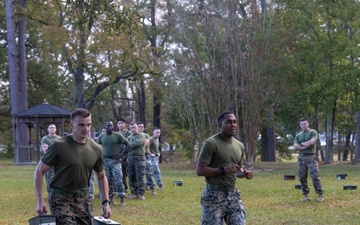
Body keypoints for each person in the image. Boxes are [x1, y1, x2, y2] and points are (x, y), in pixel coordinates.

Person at [34, 108, 112, 224]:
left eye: (88, 125)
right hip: (61, 198)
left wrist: (106, 202)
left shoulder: (96, 148)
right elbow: (39, 171)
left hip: (84, 199)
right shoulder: (59, 145)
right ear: (71, 125)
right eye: (81, 125)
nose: (86, 129)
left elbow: (101, 176)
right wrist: (40, 200)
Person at [196, 111, 253, 225]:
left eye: (234, 122)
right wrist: (223, 170)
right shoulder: (211, 143)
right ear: (220, 125)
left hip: (233, 196)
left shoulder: (239, 146)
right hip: (214, 197)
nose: (232, 125)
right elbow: (200, 170)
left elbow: (237, 170)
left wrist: (244, 173)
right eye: (228, 122)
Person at [98, 120, 130, 206]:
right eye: (108, 125)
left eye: (111, 125)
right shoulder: (102, 137)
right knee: (108, 181)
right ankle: (110, 199)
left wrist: (122, 154)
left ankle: (122, 198)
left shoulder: (117, 135)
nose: (109, 127)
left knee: (118, 180)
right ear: (105, 126)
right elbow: (97, 147)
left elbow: (128, 144)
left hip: (116, 161)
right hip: (106, 161)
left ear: (113, 126)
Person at [293, 117, 324, 202]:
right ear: (300, 125)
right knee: (302, 176)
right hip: (301, 158)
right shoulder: (298, 135)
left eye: (305, 123)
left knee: (315, 176)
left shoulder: (312, 132)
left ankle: (320, 194)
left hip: (311, 157)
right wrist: (305, 146)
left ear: (308, 124)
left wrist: (301, 145)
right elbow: (295, 146)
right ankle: (305, 195)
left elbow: (312, 142)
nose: (303, 125)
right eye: (302, 124)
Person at [126, 122, 146, 200]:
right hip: (130, 158)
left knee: (140, 176)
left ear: (137, 127)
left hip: (139, 158)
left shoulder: (141, 135)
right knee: (131, 176)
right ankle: (134, 192)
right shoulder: (129, 137)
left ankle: (141, 193)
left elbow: (136, 144)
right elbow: (124, 145)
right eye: (131, 128)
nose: (133, 129)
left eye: (134, 127)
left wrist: (128, 147)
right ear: (130, 129)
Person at [40, 123, 62, 196]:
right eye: (51, 128)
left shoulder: (59, 138)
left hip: (58, 162)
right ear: (48, 129)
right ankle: (50, 193)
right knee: (48, 177)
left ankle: (57, 193)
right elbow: (45, 150)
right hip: (48, 161)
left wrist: (50, 148)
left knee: (58, 177)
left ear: (55, 129)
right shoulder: (45, 139)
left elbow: (61, 150)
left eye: (53, 128)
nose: (52, 129)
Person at [137, 122, 155, 195]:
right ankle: (138, 190)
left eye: (142, 126)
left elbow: (146, 143)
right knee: (139, 174)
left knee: (148, 173)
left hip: (146, 156)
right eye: (139, 126)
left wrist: (137, 143)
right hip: (138, 156)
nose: (141, 128)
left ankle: (152, 189)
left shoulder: (146, 135)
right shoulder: (135, 135)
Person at [117, 118, 132, 193]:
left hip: (127, 154)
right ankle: (124, 188)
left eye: (122, 123)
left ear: (125, 124)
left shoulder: (128, 133)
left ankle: (134, 189)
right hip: (119, 155)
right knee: (121, 173)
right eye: (119, 123)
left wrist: (128, 156)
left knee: (129, 172)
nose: (120, 125)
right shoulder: (116, 134)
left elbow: (130, 145)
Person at [148, 127, 163, 192]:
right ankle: (159, 185)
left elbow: (156, 148)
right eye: (156, 132)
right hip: (151, 158)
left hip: (156, 158)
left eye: (159, 132)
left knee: (152, 172)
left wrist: (158, 152)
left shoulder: (157, 139)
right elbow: (147, 147)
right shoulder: (151, 139)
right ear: (153, 132)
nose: (158, 134)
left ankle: (147, 183)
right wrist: (151, 154)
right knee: (156, 171)